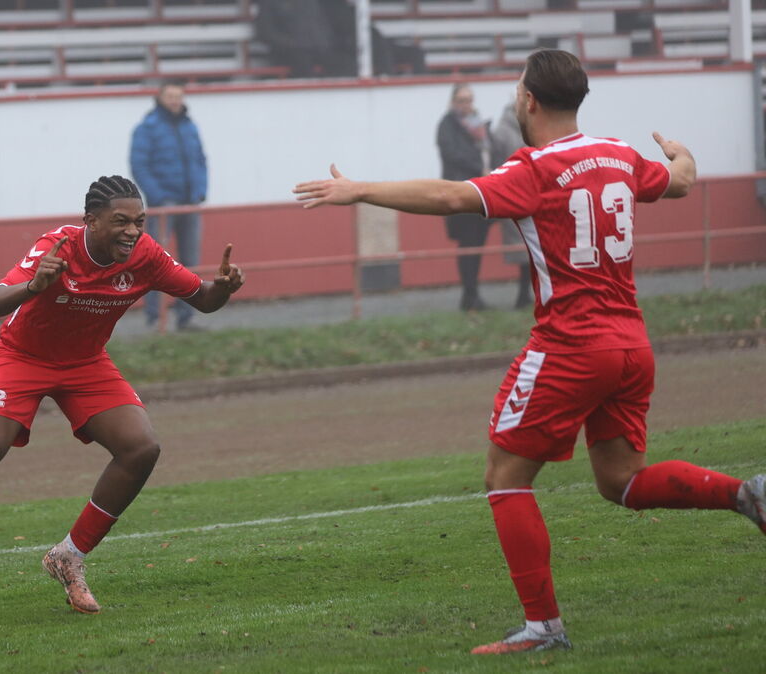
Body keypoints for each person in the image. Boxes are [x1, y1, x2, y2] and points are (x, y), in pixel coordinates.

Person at [293, 49, 765, 654]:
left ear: (529, 100)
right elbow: (681, 179)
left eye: (518, 88)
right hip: (632, 345)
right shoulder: (620, 155)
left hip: (572, 345)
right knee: (620, 480)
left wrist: (359, 190)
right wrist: (679, 150)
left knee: (505, 477)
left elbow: (449, 197)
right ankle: (745, 493)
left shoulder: (535, 168)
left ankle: (543, 628)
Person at [0, 175, 244, 622]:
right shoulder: (58, 247)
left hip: (84, 363)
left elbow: (204, 300)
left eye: (139, 221)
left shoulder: (146, 256)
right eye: (121, 221)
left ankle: (69, 556)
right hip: (22, 357)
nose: (133, 231)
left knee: (141, 448)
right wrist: (33, 286)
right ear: (90, 222)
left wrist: (224, 289)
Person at [130, 81, 209, 331]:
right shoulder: (147, 128)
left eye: (179, 96)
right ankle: (155, 319)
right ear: (160, 98)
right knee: (156, 262)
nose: (175, 100)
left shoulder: (190, 126)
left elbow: (200, 160)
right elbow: (139, 165)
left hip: (190, 202)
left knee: (190, 262)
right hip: (163, 205)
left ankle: (186, 318)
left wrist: (200, 192)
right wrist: (158, 197)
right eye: (171, 96)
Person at [437, 83, 493, 311]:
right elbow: (452, 154)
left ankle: (473, 295)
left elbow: (490, 149)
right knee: (468, 244)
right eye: (461, 100)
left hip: (482, 191)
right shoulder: (447, 125)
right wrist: (480, 167)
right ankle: (469, 295)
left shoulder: (479, 125)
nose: (466, 104)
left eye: (469, 100)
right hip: (461, 192)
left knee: (478, 244)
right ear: (453, 102)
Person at [490, 100, 534, 309]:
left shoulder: (530, 128)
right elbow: (497, 160)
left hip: (530, 194)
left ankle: (526, 293)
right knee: (522, 247)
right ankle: (523, 294)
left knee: (530, 246)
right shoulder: (503, 132)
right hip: (514, 195)